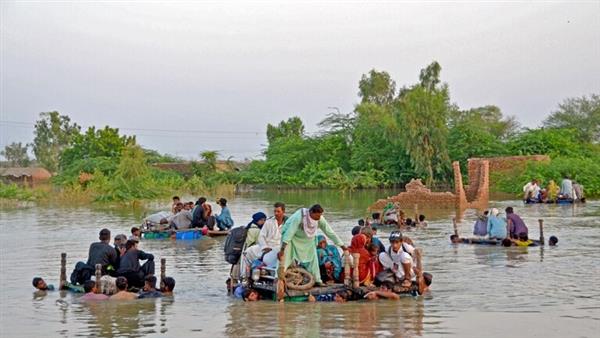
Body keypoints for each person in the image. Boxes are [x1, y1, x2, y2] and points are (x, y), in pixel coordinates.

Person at [278, 204, 348, 286]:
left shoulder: (320, 219)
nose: (319, 217)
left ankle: (317, 280)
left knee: (312, 258)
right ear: (311, 212)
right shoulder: (299, 216)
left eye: (320, 215)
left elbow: (330, 232)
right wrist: (282, 249)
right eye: (317, 215)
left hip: (308, 238)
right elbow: (289, 232)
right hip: (292, 238)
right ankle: (279, 279)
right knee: (285, 257)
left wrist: (342, 245)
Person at [240, 204, 286, 277]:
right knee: (247, 252)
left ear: (283, 212)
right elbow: (261, 236)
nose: (276, 213)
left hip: (279, 247)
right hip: (267, 246)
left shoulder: (288, 223)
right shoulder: (269, 222)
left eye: (278, 211)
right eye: (275, 211)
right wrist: (265, 246)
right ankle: (244, 275)